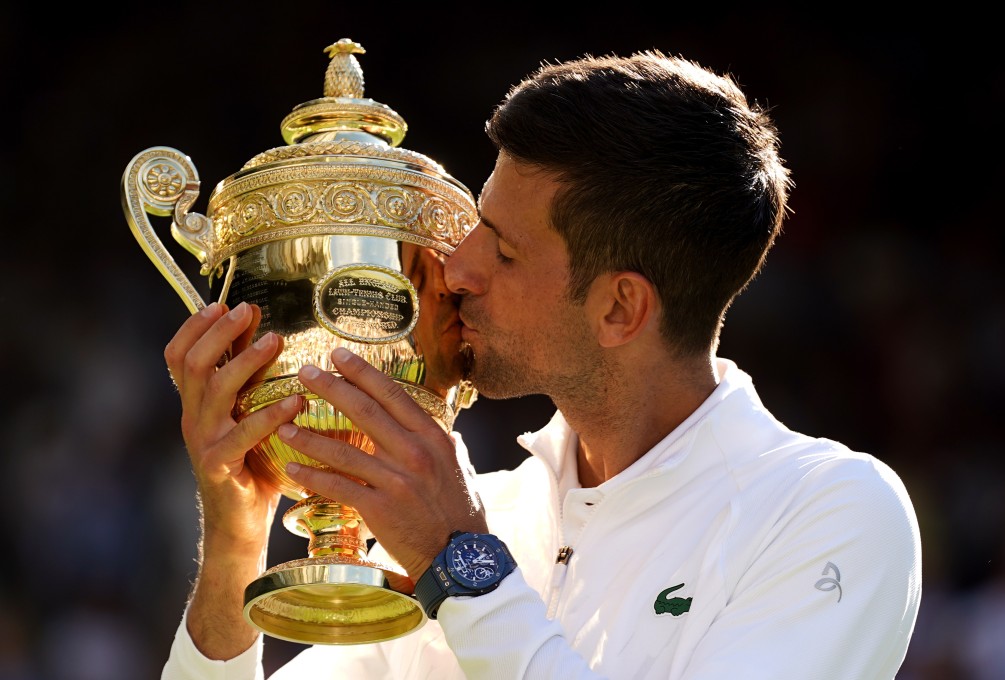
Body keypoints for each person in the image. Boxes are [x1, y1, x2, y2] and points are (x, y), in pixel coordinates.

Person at [161, 48, 922, 679]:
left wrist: (460, 565)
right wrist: (235, 544)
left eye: (504, 247)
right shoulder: (480, 516)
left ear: (620, 309)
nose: (456, 269)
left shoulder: (831, 513)